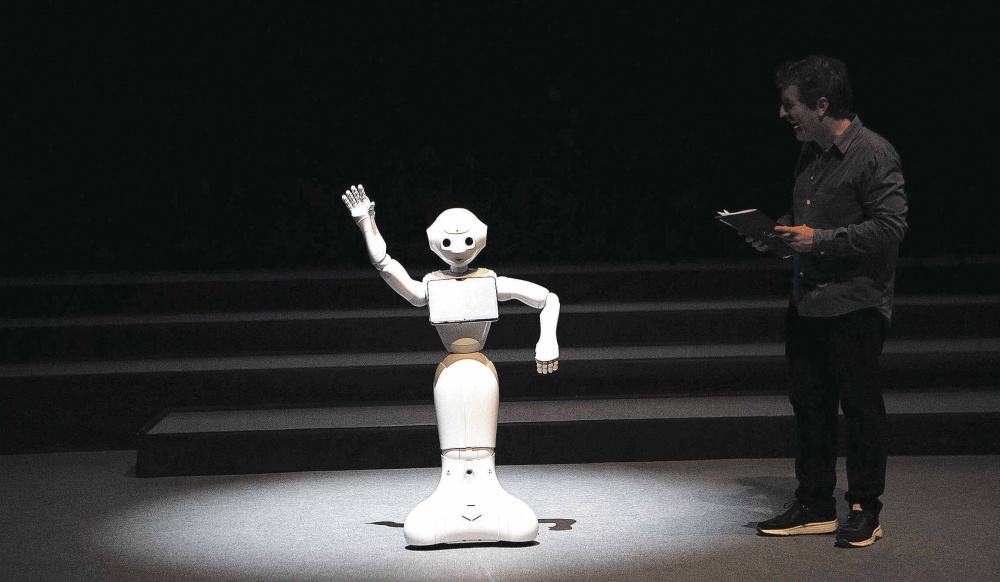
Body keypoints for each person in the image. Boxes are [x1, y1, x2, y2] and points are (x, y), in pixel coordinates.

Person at [752, 55, 908, 548]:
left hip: (855, 304)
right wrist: (776, 233)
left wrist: (817, 241)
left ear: (821, 105)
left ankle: (864, 509)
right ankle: (815, 503)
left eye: (790, 105)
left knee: (860, 410)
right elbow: (808, 219)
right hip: (808, 301)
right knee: (810, 406)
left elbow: (891, 226)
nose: (783, 115)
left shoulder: (873, 153)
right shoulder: (812, 153)